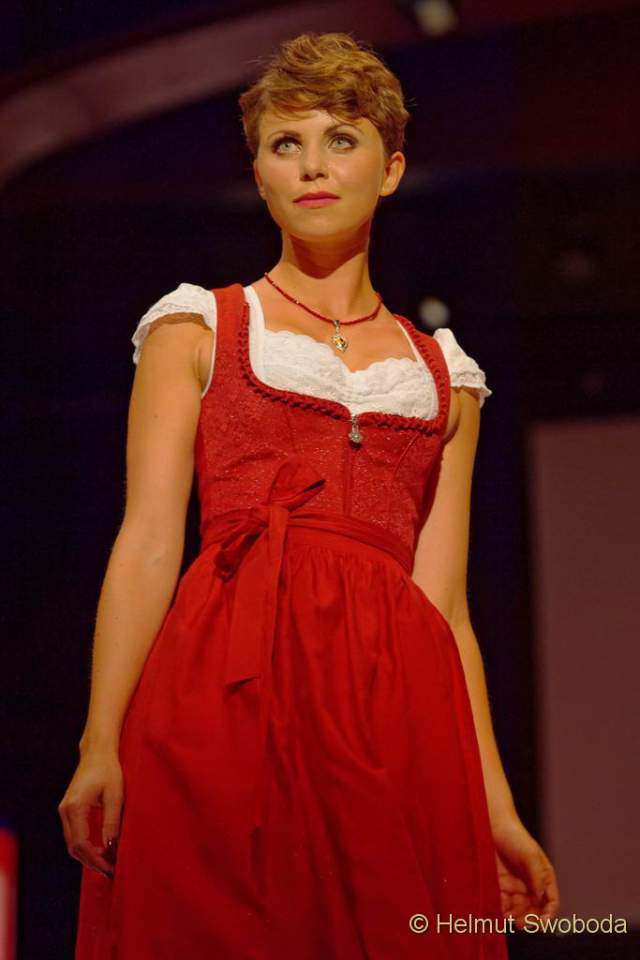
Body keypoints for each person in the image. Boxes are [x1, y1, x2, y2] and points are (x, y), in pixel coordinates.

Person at [59, 31, 559, 959]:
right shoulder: (199, 328)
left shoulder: (445, 378)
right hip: (227, 682)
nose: (313, 166)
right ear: (259, 174)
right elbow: (148, 540)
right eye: (286, 144)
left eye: (342, 139)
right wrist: (100, 741)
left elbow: (446, 609)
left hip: (391, 706)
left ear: (391, 168)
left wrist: (494, 808)